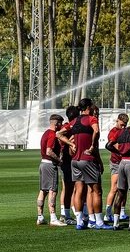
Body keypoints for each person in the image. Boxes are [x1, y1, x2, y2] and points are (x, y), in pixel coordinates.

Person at [57, 98, 111, 230]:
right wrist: (92, 145)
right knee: (97, 191)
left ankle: (80, 222)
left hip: (75, 161)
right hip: (88, 159)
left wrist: (71, 144)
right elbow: (96, 131)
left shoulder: (74, 121)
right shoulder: (92, 119)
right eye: (92, 105)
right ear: (88, 107)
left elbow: (59, 134)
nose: (93, 107)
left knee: (79, 191)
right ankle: (98, 222)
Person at [106, 118, 130, 231]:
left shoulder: (120, 131)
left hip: (122, 163)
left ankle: (116, 224)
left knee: (120, 193)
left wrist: (121, 152)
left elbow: (108, 145)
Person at [37, 114, 66, 227]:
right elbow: (49, 151)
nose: (61, 125)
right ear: (56, 123)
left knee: (42, 191)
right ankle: (53, 217)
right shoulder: (52, 135)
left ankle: (40, 217)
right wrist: (59, 160)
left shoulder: (45, 133)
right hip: (50, 164)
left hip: (43, 163)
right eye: (60, 123)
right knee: (52, 190)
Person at [105, 113, 129, 222]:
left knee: (124, 188)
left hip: (125, 162)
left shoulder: (125, 131)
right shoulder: (113, 133)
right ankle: (107, 213)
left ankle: (122, 212)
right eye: (122, 124)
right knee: (114, 188)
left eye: (125, 125)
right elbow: (117, 147)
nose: (123, 127)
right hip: (116, 162)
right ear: (117, 121)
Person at [57, 105, 79, 225]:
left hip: (66, 159)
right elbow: (59, 134)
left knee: (67, 188)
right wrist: (71, 143)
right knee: (71, 188)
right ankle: (69, 214)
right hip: (67, 159)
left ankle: (65, 213)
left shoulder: (68, 125)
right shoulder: (70, 125)